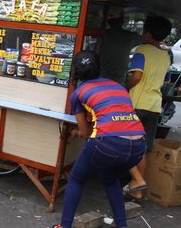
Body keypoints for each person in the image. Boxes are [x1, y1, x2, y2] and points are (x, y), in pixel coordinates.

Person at [52, 51, 146, 228]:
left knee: (77, 179)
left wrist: (75, 133)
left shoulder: (78, 93)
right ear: (99, 68)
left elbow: (86, 133)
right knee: (111, 179)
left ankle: (64, 226)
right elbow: (121, 117)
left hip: (108, 142)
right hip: (139, 144)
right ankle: (121, 225)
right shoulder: (118, 87)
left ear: (75, 71)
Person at [124, 15, 172, 202]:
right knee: (143, 147)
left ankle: (136, 182)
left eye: (143, 30)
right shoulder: (166, 55)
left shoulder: (142, 51)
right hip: (154, 105)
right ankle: (138, 189)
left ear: (148, 33)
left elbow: (136, 77)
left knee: (124, 143)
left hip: (137, 104)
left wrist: (124, 88)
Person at [99, 5, 141, 84]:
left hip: (100, 80)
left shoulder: (101, 35)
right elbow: (144, 39)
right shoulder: (129, 37)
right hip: (118, 82)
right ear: (121, 19)